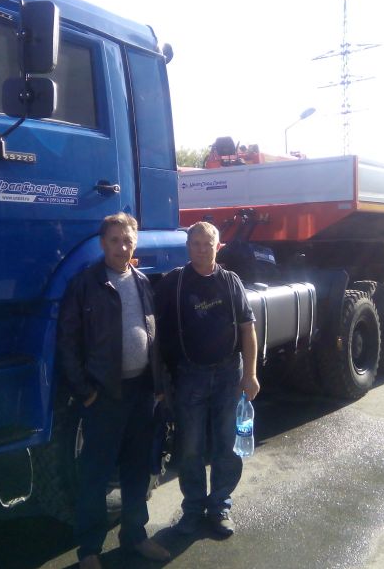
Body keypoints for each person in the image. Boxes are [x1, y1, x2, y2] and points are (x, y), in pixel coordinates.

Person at [56, 212, 171, 569]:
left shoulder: (142, 281)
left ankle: (135, 537)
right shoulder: (85, 284)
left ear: (135, 243)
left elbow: (153, 335)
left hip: (141, 392)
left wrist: (159, 386)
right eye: (115, 240)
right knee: (96, 474)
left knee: (138, 470)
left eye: (128, 240)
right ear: (103, 243)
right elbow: (68, 342)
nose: (122, 247)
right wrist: (86, 391)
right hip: (105, 395)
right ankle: (89, 550)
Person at [156, 221, 259, 538]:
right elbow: (156, 333)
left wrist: (251, 374)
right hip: (190, 376)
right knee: (190, 447)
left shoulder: (230, 282)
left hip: (229, 375)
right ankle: (192, 510)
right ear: (188, 247)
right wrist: (160, 380)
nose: (202, 249)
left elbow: (248, 329)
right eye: (196, 244)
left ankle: (220, 508)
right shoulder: (174, 282)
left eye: (208, 244)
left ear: (218, 247)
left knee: (227, 445)